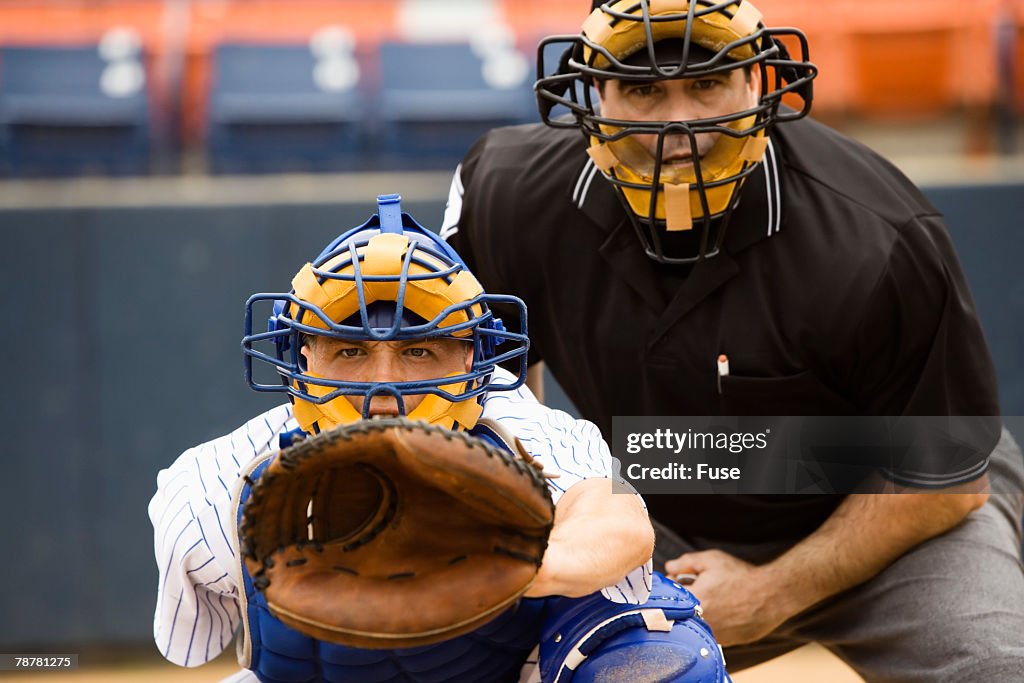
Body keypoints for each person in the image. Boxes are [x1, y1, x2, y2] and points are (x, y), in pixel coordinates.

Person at [441, 1, 1024, 680]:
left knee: (991, 666)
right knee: (466, 640)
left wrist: (770, 592)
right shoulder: (512, 195)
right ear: (596, 93)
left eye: (707, 83)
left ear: (757, 85)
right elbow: (496, 398)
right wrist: (558, 517)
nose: (678, 122)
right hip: (652, 500)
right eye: (644, 89)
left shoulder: (875, 233)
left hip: (885, 512)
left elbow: (945, 479)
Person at [149, 194, 734, 683]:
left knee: (668, 662)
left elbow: (622, 522)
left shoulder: (527, 429)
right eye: (349, 351)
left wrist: (503, 570)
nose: (383, 386)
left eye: (419, 351)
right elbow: (189, 648)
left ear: (473, 359)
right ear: (303, 358)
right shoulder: (211, 486)